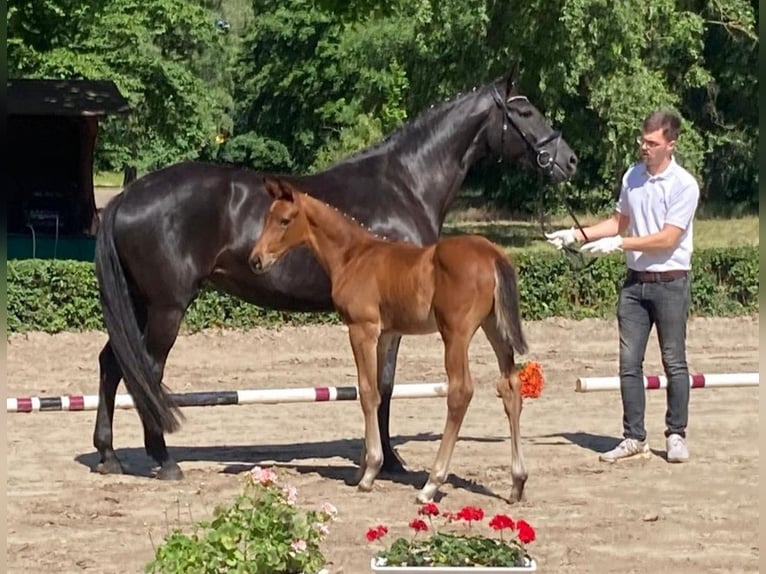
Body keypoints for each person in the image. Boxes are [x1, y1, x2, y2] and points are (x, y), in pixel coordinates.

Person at [545, 109, 700, 464]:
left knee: (674, 361)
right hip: (634, 286)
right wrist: (575, 234)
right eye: (641, 140)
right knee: (628, 363)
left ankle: (676, 433)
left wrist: (621, 244)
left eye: (651, 142)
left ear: (670, 145)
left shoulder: (684, 185)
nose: (643, 147)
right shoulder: (632, 176)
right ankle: (634, 437)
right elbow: (619, 221)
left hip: (671, 282)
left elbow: (667, 238)